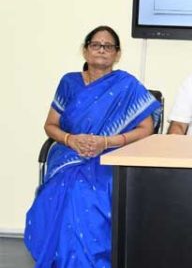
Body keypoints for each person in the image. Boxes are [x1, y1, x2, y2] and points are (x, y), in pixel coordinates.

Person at [24, 25, 161, 267]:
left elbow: (146, 128)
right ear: (85, 50)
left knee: (94, 186)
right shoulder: (69, 82)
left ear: (117, 54)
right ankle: (63, 258)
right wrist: (71, 140)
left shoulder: (127, 85)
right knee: (67, 186)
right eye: (96, 45)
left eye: (108, 46)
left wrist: (106, 142)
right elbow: (50, 125)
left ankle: (98, 260)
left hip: (111, 153)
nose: (102, 50)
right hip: (69, 151)